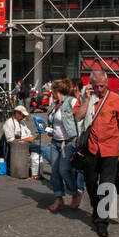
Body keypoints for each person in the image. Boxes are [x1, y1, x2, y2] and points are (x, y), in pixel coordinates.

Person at [73, 69, 119, 237]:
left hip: (110, 148)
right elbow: (78, 117)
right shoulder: (85, 97)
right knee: (90, 182)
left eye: (103, 86)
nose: (100, 89)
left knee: (106, 186)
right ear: (91, 84)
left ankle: (101, 221)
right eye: (96, 86)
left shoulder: (116, 99)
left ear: (107, 83)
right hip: (91, 148)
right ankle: (97, 210)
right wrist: (88, 99)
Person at [46, 78, 84, 212]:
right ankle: (58, 198)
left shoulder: (71, 101)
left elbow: (79, 120)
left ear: (56, 90)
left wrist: (79, 139)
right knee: (55, 171)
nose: (50, 93)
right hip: (55, 141)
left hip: (69, 141)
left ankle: (75, 192)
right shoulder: (54, 104)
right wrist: (49, 130)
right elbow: (53, 122)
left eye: (52, 90)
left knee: (63, 170)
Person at [2, 103, 40, 180]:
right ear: (17, 113)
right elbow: (10, 140)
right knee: (41, 149)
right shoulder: (9, 123)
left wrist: (33, 138)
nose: (24, 117)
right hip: (19, 146)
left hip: (27, 142)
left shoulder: (22, 122)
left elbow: (28, 133)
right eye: (23, 115)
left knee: (39, 149)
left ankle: (36, 171)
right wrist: (26, 140)